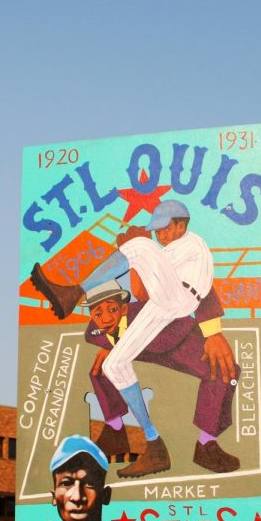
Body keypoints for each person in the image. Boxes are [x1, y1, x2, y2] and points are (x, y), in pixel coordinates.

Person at [30, 200, 238, 478]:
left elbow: (148, 276)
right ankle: (154, 444)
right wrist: (111, 341)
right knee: (113, 365)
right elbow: (141, 288)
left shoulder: (192, 245)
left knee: (140, 247)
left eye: (164, 229)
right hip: (160, 306)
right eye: (158, 231)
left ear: (181, 225)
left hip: (180, 298)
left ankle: (73, 293)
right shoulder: (167, 253)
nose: (161, 235)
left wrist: (212, 330)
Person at [80, 281, 239, 474]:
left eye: (112, 309)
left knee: (224, 370)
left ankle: (206, 445)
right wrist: (110, 347)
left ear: (123, 309)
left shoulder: (146, 313)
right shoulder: (94, 332)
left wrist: (211, 335)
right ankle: (115, 433)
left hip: (175, 341)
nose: (105, 318)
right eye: (97, 314)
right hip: (144, 349)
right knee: (100, 369)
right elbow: (106, 336)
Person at [48, 435, 112, 521]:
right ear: (54, 496)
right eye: (66, 483)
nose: (77, 497)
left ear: (105, 495)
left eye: (89, 484)